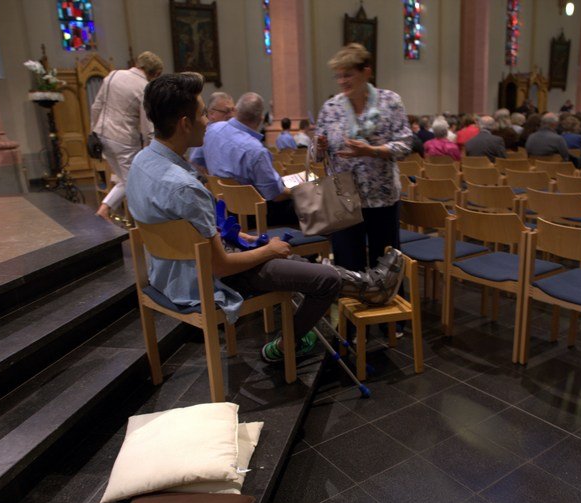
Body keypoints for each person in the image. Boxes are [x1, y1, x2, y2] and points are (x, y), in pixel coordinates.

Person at [126, 73, 406, 364]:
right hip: (204, 283)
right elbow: (220, 266)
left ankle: (369, 285)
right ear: (185, 124)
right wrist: (268, 250)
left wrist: (238, 238)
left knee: (293, 261)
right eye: (203, 114)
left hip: (167, 274)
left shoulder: (141, 161)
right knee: (320, 278)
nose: (208, 122)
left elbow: (184, 230)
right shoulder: (186, 187)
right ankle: (288, 344)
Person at [314, 43, 412, 274]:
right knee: (347, 264)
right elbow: (316, 154)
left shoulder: (390, 101)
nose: (342, 81)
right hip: (343, 196)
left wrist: (372, 151)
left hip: (381, 195)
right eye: (338, 76)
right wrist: (319, 147)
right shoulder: (330, 107)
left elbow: (406, 144)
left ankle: (387, 297)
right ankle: (351, 299)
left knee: (385, 263)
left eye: (348, 75)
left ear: (366, 72)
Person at [202, 92, 297, 227]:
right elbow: (275, 195)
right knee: (301, 204)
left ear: (236, 111)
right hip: (253, 215)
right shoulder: (256, 151)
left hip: (223, 210)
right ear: (261, 118)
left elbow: (197, 159)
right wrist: (298, 190)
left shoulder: (212, 130)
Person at [91, 51, 163, 220]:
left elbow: (96, 106)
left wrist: (92, 132)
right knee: (133, 181)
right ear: (156, 73)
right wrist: (150, 151)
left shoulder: (113, 75)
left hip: (102, 134)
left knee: (125, 180)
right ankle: (139, 221)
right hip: (124, 139)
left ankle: (106, 210)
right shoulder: (144, 87)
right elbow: (147, 126)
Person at [188, 91, 234, 172]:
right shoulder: (204, 133)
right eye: (226, 111)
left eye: (233, 110)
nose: (231, 115)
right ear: (212, 113)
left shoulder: (234, 133)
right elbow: (193, 163)